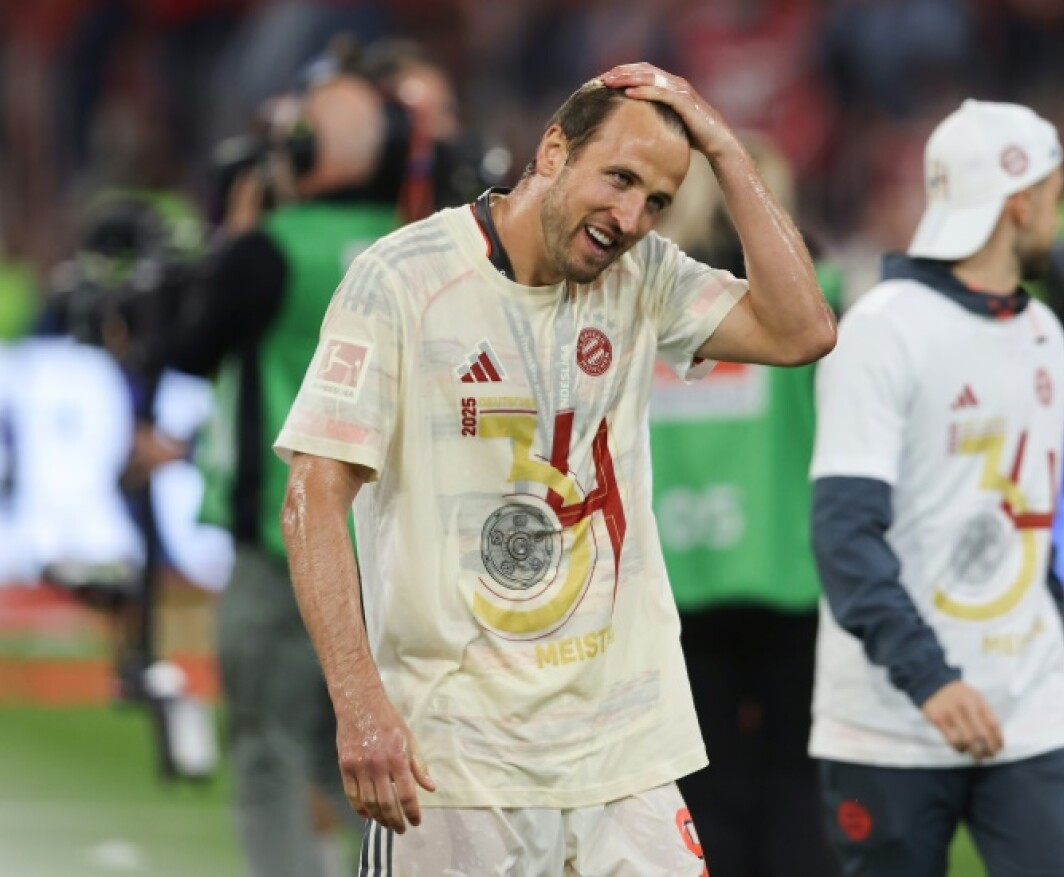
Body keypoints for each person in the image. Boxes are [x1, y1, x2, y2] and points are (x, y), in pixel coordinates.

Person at [275, 62, 837, 875]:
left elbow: (802, 331)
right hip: (457, 760)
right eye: (618, 178)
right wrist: (358, 701)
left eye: (656, 200)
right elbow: (314, 495)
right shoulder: (402, 279)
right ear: (551, 152)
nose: (632, 216)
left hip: (623, 751)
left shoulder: (644, 277)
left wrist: (723, 146)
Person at [808, 99, 1064, 876]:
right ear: (1020, 203)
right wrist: (932, 680)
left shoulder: (1045, 334)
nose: (1059, 214)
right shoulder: (880, 330)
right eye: (1053, 194)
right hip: (889, 722)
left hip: (1032, 715)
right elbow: (844, 535)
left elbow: (1029, 532)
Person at [168, 70, 429, 877]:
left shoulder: (266, 253)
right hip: (386, 544)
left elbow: (187, 349)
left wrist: (234, 237)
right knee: (359, 755)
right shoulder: (415, 244)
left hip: (290, 540)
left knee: (267, 751)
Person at [649, 136, 842, 876]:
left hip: (674, 579)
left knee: (700, 789)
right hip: (788, 567)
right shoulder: (811, 294)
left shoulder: (647, 298)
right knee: (801, 783)